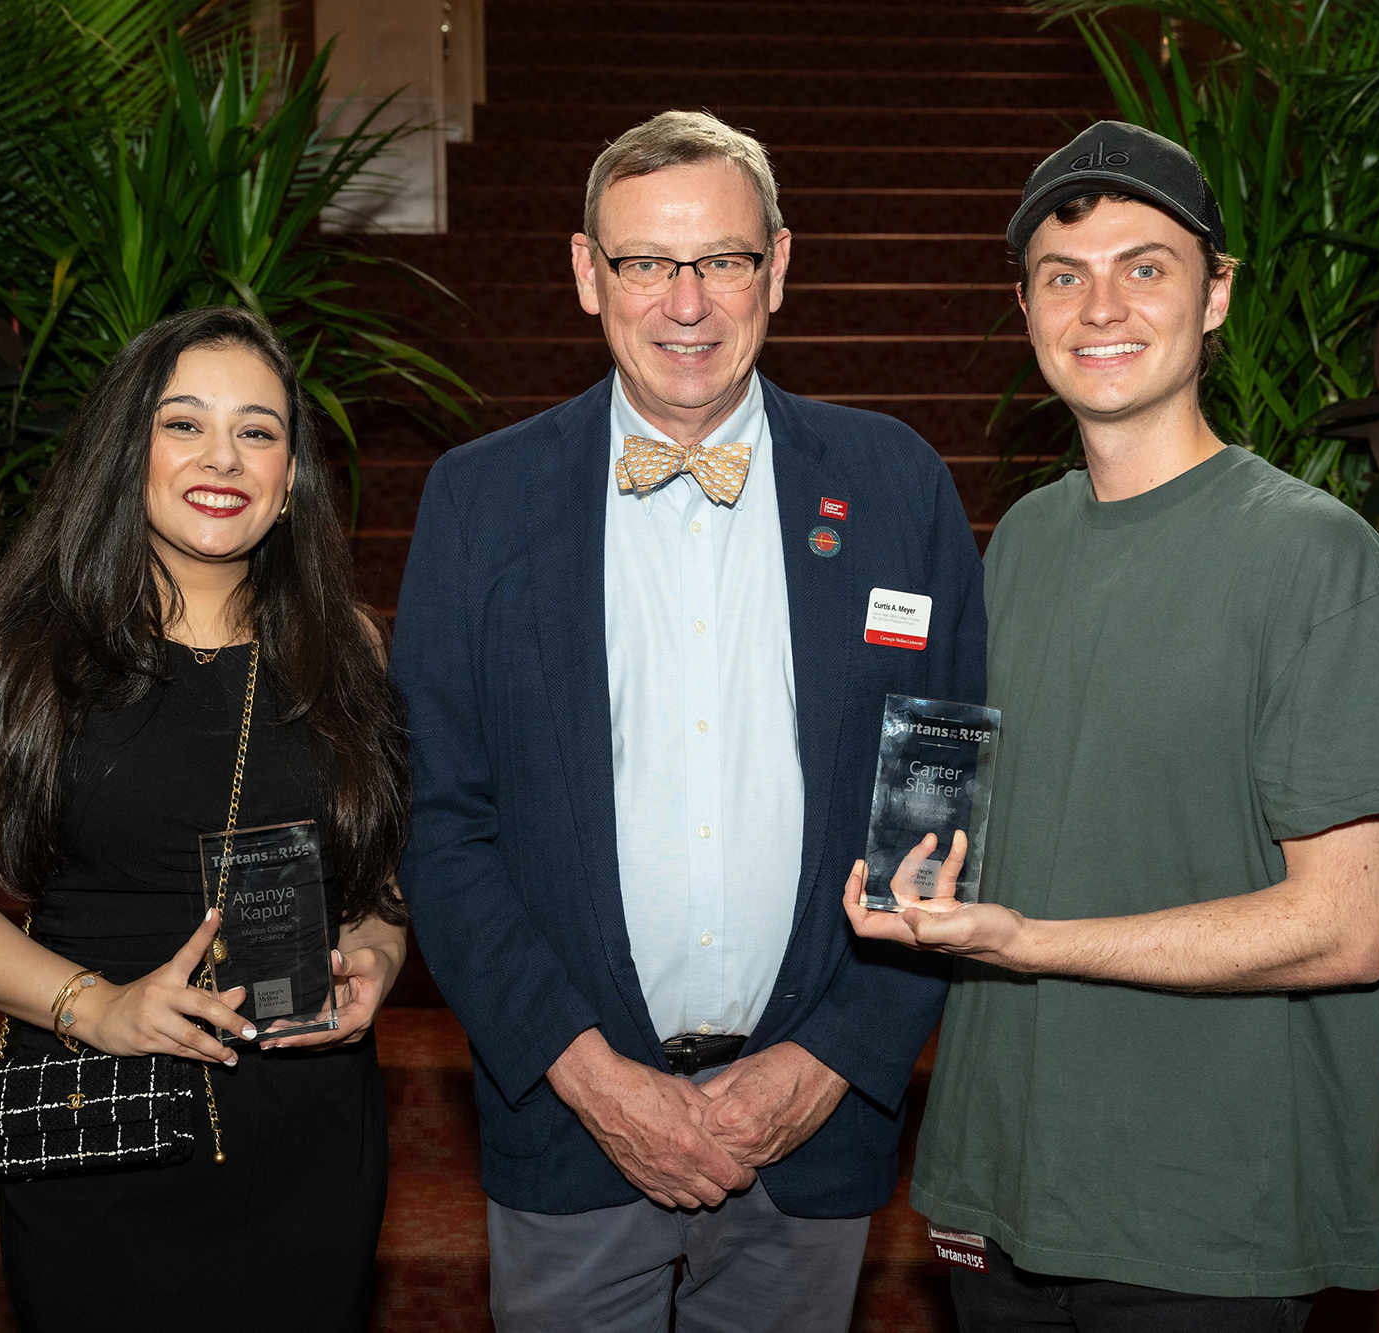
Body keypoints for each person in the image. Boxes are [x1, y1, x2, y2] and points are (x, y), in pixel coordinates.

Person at [846, 122, 1379, 1331]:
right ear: (1024, 306)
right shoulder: (1020, 539)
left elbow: (1339, 929)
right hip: (1002, 1175)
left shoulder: (1312, 558)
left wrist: (1027, 941)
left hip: (1198, 1208)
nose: (1100, 307)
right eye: (1061, 274)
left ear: (1216, 293)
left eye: (1144, 266)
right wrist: (913, 885)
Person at [393, 109, 986, 1333]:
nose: (686, 302)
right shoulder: (477, 501)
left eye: (719, 258)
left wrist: (828, 1060)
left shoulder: (892, 487)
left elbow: (946, 811)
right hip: (566, 1118)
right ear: (583, 274)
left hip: (812, 1127)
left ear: (777, 265)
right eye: (646, 263)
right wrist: (587, 1074)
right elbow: (437, 820)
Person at [0, 307, 411, 1333]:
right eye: (185, 424)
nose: (224, 457)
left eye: (258, 431)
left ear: (293, 472)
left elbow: (374, 883)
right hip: (100, 1117)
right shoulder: (27, 653)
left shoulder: (346, 644)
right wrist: (99, 1007)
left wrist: (377, 954)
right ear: (130, 448)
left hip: (305, 1126)